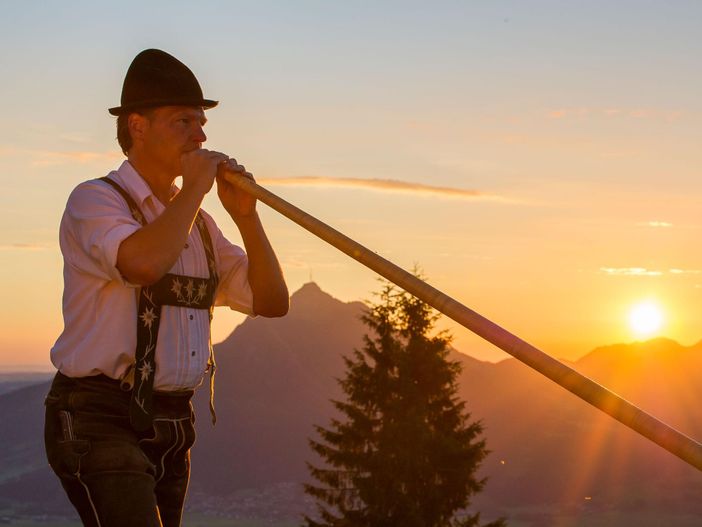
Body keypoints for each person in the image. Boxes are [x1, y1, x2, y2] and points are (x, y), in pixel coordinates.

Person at [44, 48, 289, 527]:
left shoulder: (199, 224)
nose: (201, 137)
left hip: (175, 424)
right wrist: (196, 190)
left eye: (201, 124)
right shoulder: (94, 200)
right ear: (138, 127)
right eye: (184, 122)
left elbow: (271, 301)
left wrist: (247, 218)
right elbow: (141, 264)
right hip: (100, 416)